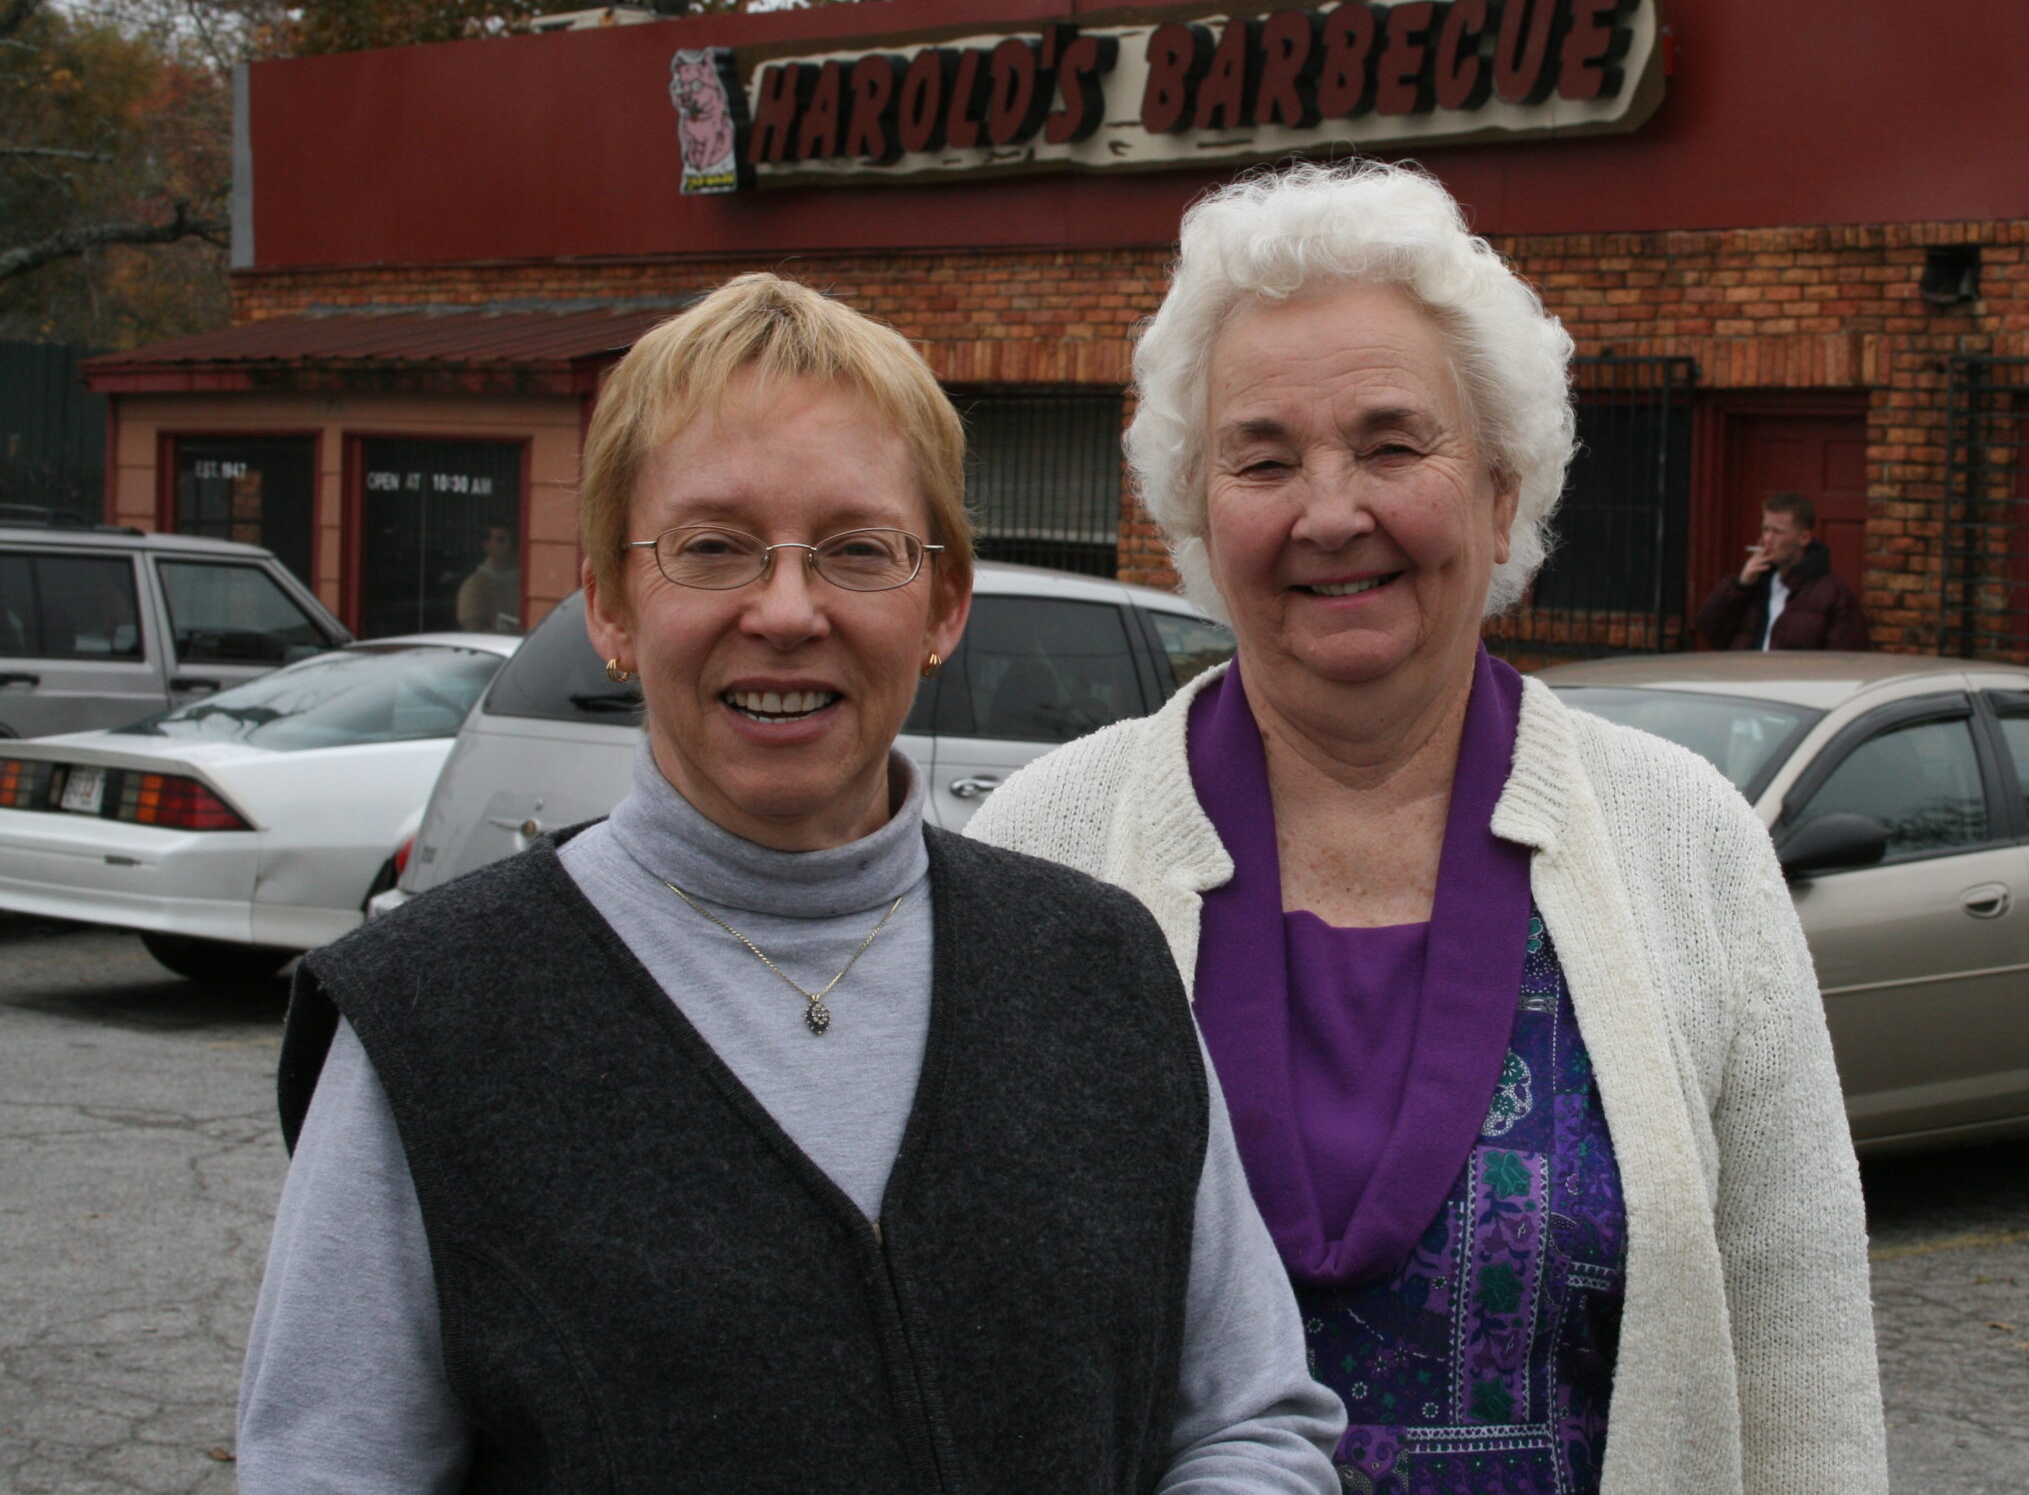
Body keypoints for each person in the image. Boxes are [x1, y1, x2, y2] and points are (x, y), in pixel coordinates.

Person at [235, 274, 1345, 1491]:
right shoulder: (433, 1020)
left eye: (857, 550)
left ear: (943, 604)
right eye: (712, 548)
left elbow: (1248, 1419)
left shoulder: (1098, 967)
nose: (785, 609)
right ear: (608, 602)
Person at [971, 163, 1887, 1494]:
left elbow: (1803, 1381)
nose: (1331, 510)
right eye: (1264, 455)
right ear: (1195, 508)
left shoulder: (1690, 843)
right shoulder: (1042, 841)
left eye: (1393, 443)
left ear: (1504, 490)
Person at [1694, 490, 1869, 651]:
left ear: (1804, 537)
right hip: (1746, 680)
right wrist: (1740, 585)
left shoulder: (1832, 593)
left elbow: (1844, 660)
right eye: (1765, 530)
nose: (1768, 539)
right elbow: (1709, 629)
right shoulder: (1755, 582)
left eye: (1777, 532)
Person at [453, 520, 521, 633]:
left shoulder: (524, 578)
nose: (508, 546)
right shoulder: (475, 585)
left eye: (511, 540)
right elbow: (472, 626)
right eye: (501, 540)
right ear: (486, 545)